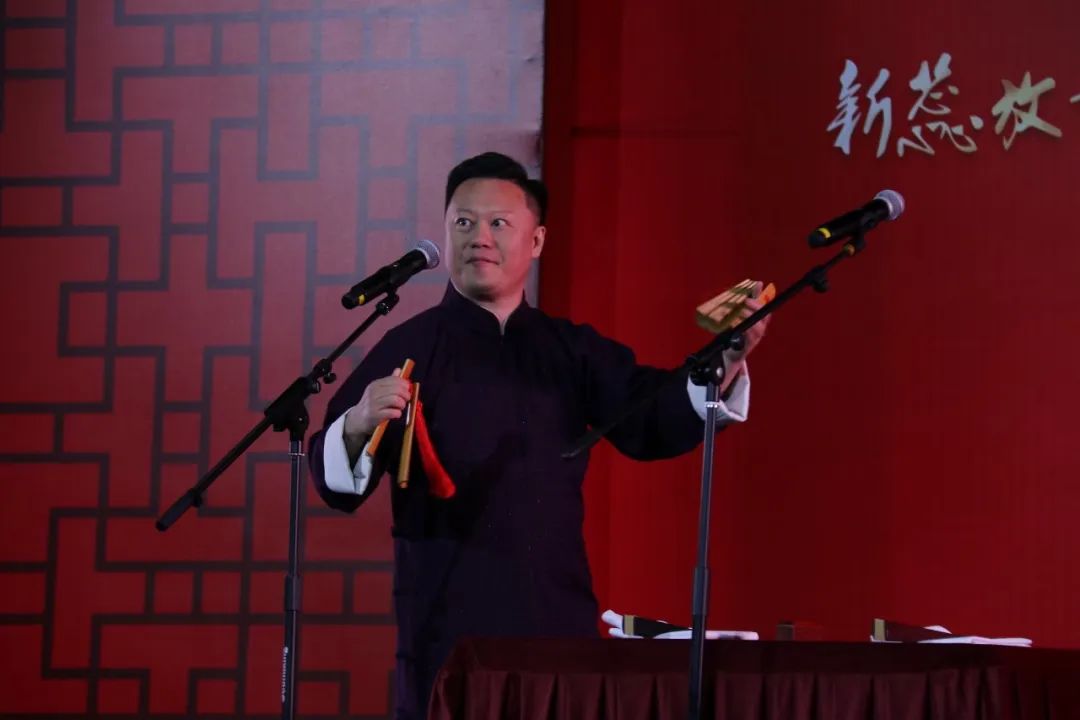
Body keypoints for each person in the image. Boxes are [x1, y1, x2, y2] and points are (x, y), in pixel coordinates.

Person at [307, 152, 769, 719]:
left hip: (554, 616)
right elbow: (333, 478)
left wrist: (723, 362)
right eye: (463, 222)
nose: (479, 237)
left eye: (498, 222)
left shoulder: (570, 350)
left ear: (537, 240)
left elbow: (651, 418)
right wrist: (357, 423)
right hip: (444, 625)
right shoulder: (411, 346)